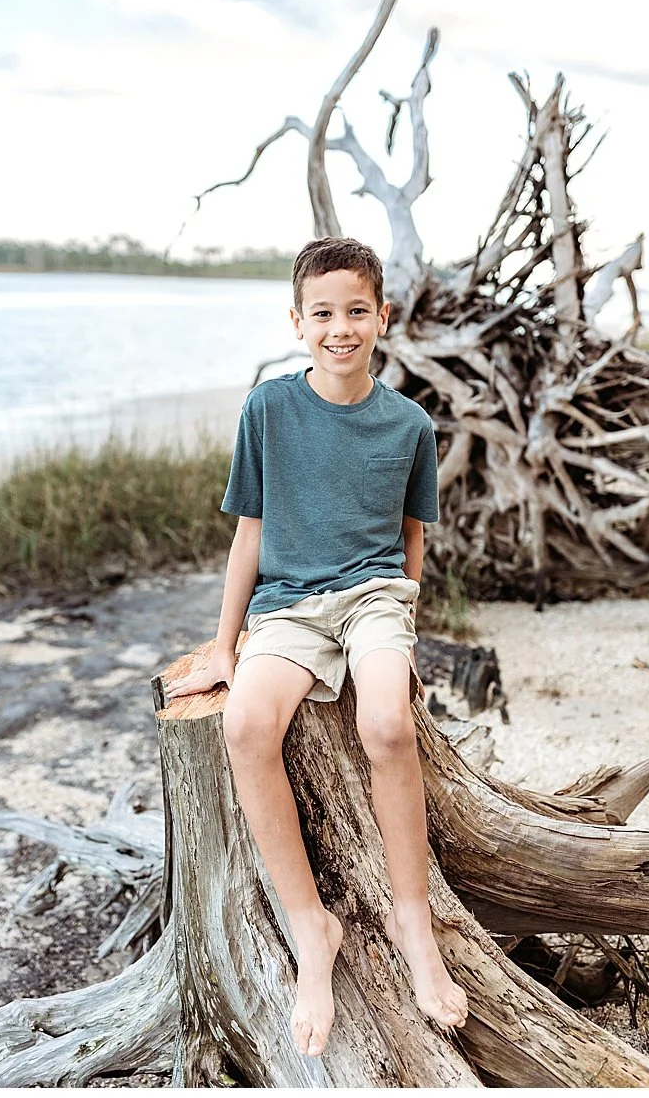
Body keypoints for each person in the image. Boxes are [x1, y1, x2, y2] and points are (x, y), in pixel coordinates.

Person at [164, 237, 467, 1058]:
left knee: (388, 725)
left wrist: (399, 631)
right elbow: (249, 535)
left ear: (383, 317)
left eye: (357, 311)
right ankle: (312, 926)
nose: (341, 328)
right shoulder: (266, 409)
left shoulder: (409, 424)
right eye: (323, 313)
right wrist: (227, 645)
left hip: (374, 598)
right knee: (245, 727)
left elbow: (411, 542)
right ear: (297, 321)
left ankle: (414, 922)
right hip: (289, 608)